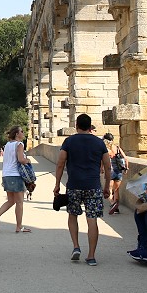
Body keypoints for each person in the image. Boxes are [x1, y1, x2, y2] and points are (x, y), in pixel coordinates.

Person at [54, 114, 111, 266]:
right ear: (90, 126)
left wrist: (57, 184)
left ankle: (76, 247)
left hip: (74, 185)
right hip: (93, 186)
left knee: (73, 215)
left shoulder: (69, 141)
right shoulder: (99, 143)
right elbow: (107, 165)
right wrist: (107, 187)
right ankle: (91, 256)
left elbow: (60, 163)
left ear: (76, 125)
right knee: (92, 219)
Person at [0, 126, 31, 233]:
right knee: (20, 202)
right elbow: (21, 160)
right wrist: (28, 160)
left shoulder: (7, 145)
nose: (23, 133)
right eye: (21, 131)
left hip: (6, 175)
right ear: (17, 134)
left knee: (11, 200)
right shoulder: (19, 144)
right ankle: (19, 226)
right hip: (15, 175)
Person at [104, 132, 127, 215]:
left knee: (108, 190)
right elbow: (125, 158)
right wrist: (126, 169)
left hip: (110, 171)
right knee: (116, 190)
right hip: (119, 171)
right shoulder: (117, 148)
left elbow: (103, 160)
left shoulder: (106, 149)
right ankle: (116, 208)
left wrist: (101, 168)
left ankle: (112, 203)